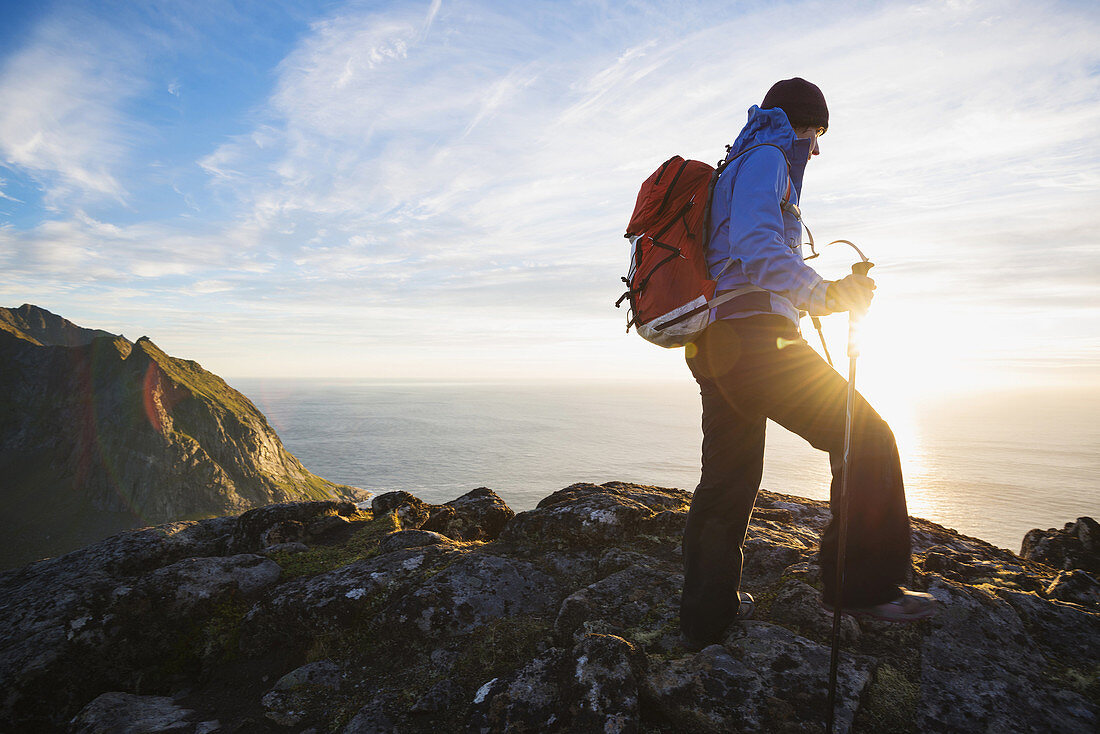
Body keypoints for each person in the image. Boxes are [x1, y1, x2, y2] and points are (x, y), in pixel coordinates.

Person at [679, 78, 935, 648]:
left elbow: (742, 254)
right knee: (865, 435)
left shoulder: (737, 162)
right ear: (794, 123)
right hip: (755, 338)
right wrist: (828, 295)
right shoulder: (769, 157)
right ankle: (864, 586)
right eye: (814, 132)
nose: (815, 148)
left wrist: (815, 295)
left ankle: (704, 619)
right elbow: (758, 248)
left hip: (718, 342)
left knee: (729, 479)